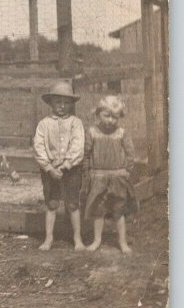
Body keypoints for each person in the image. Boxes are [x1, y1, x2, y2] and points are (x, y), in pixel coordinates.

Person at [33, 81, 86, 251]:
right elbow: (38, 147)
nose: (62, 106)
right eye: (58, 102)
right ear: (51, 103)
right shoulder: (44, 124)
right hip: (50, 169)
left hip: (71, 169)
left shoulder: (75, 123)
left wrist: (65, 166)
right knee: (52, 203)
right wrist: (49, 168)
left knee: (72, 203)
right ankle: (48, 238)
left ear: (71, 104)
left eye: (66, 103)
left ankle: (77, 238)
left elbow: (78, 147)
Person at [83, 96, 138, 254]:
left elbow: (130, 153)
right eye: (106, 116)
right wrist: (88, 173)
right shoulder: (92, 132)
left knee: (118, 210)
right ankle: (97, 240)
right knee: (98, 210)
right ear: (98, 114)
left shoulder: (121, 133)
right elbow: (86, 154)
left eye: (115, 117)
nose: (110, 120)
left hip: (118, 177)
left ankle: (122, 242)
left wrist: (127, 170)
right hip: (98, 177)